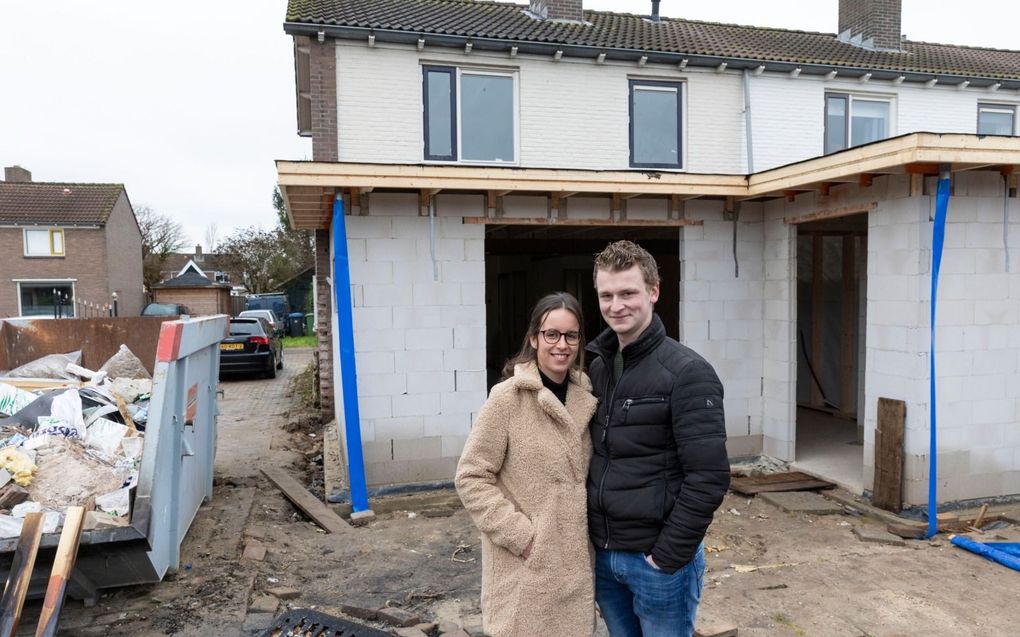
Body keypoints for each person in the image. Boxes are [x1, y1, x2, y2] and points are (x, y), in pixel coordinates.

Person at [586, 240, 730, 637]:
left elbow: (709, 477)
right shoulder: (597, 368)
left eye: (628, 292)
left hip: (657, 563)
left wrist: (667, 556)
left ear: (653, 291)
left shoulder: (687, 373)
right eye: (607, 295)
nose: (617, 305)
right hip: (604, 556)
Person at [455, 292, 599, 637]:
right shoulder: (506, 399)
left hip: (574, 567)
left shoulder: (586, 395)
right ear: (534, 338)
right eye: (552, 334)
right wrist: (523, 537)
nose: (561, 345)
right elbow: (471, 476)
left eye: (571, 335)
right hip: (525, 570)